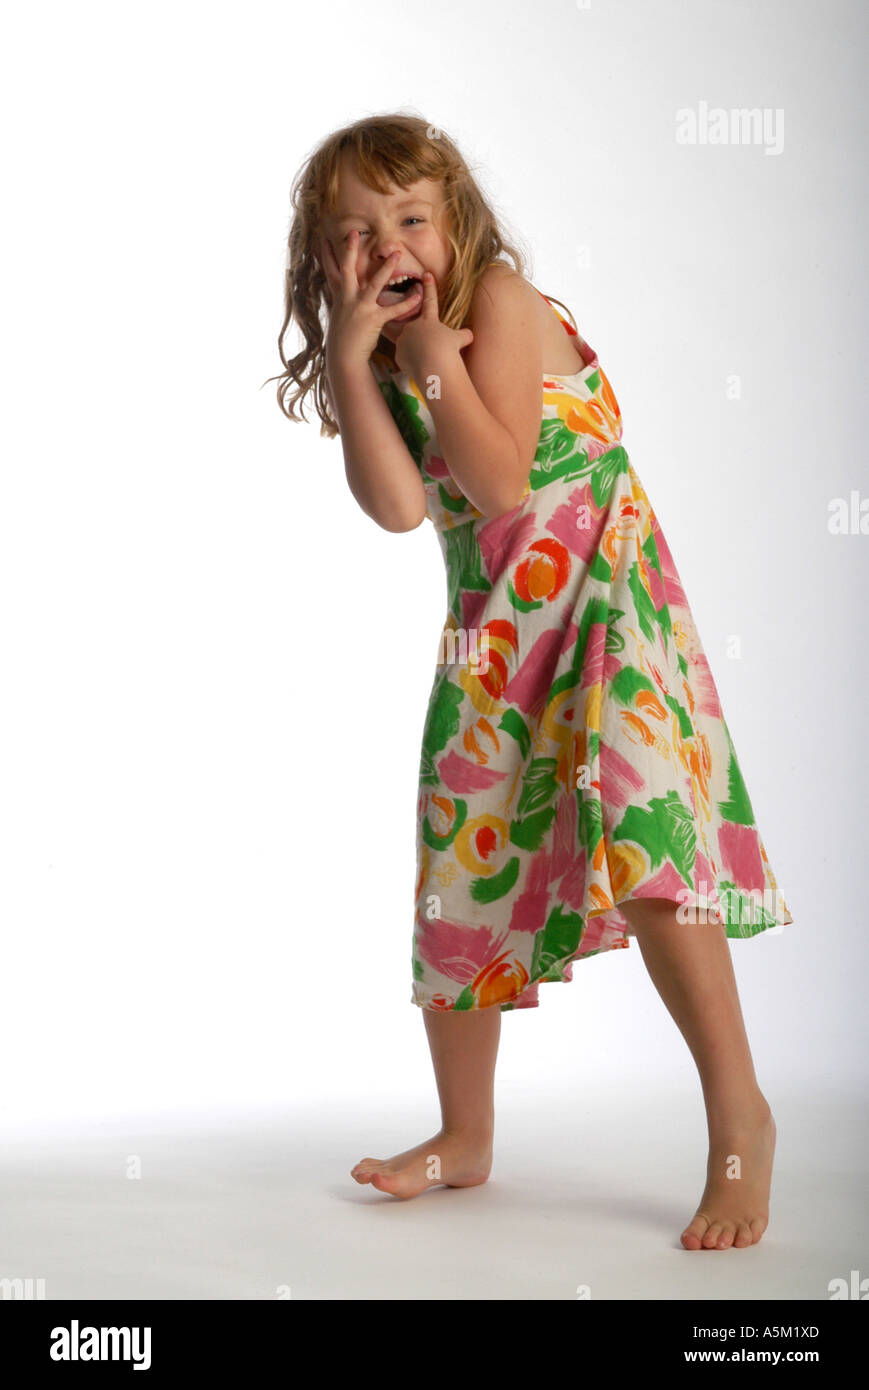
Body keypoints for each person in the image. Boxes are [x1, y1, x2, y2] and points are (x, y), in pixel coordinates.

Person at [267, 113, 793, 1251]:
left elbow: (501, 482)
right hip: (495, 640)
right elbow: (404, 507)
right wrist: (363, 369)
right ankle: (464, 1133)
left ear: (454, 223)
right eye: (355, 233)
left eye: (409, 219)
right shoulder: (391, 357)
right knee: (463, 867)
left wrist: (433, 361)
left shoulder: (493, 304)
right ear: (326, 260)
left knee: (646, 841)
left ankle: (737, 1115)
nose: (388, 244)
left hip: (605, 606)